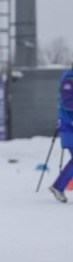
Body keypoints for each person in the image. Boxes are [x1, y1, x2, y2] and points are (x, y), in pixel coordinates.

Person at [49, 64, 73, 202]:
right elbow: (67, 102)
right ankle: (58, 187)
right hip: (68, 125)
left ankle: (58, 186)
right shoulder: (69, 79)